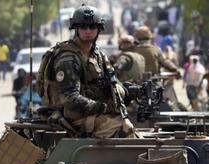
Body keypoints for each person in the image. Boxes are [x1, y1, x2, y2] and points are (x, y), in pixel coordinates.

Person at [38, 4, 136, 138]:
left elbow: (113, 82)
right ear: (76, 29)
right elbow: (70, 99)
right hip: (71, 119)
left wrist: (127, 90)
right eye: (83, 27)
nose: (88, 31)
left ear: (99, 29)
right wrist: (104, 107)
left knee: (133, 121)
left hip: (92, 114)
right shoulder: (68, 58)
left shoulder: (97, 55)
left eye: (92, 27)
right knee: (122, 129)